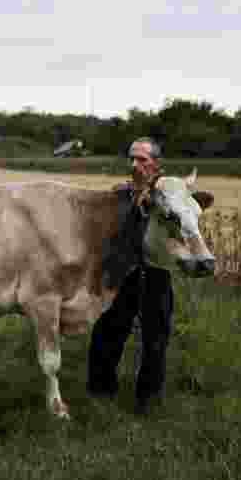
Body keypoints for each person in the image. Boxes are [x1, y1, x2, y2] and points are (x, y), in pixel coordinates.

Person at [87, 137, 175, 415]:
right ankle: (100, 392)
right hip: (123, 272)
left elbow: (180, 219)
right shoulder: (122, 192)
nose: (135, 164)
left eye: (142, 159)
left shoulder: (170, 192)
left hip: (156, 272)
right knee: (107, 331)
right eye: (132, 158)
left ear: (156, 164)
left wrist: (155, 198)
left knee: (154, 338)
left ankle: (147, 399)